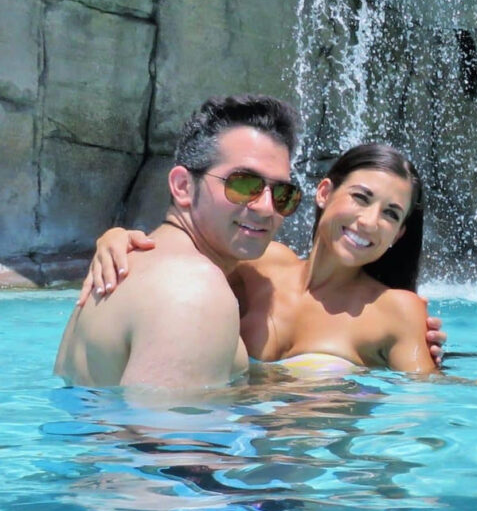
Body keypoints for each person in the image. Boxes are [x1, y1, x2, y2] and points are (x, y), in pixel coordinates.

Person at [80, 144, 438, 377]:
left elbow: (430, 407)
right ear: (324, 193)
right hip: (220, 453)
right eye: (361, 198)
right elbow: (183, 259)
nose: (370, 222)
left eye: (391, 214)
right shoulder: (259, 266)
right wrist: (117, 238)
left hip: (314, 482)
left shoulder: (397, 311)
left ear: (399, 234)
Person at [55, 94, 303, 388]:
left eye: (282, 194)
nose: (266, 207)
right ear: (183, 186)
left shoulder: (135, 263)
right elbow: (163, 434)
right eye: (244, 184)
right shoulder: (193, 290)